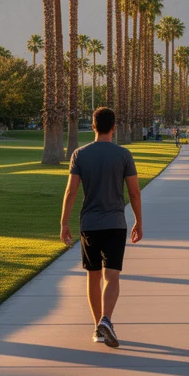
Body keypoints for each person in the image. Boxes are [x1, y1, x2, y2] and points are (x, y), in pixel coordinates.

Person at [60, 106, 142, 348]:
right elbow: (134, 192)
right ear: (113, 127)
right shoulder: (123, 155)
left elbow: (71, 191)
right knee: (112, 275)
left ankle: (98, 326)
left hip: (90, 225)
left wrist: (64, 222)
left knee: (93, 275)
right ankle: (106, 320)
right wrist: (139, 220)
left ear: (93, 126)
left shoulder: (79, 155)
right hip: (115, 224)